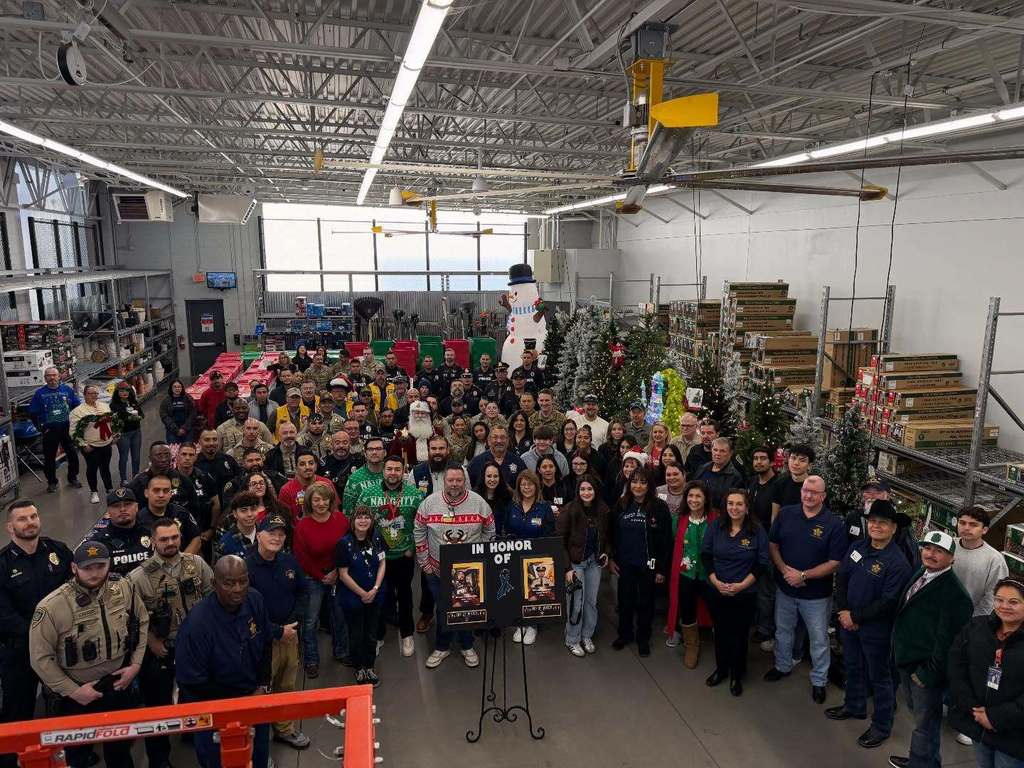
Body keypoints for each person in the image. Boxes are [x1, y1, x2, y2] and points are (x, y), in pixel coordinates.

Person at [29, 540, 148, 768]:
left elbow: (142, 620)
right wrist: (73, 691)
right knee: (78, 755)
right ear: (74, 568)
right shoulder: (52, 606)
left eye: (100, 566)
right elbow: (40, 658)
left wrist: (135, 665)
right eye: (87, 568)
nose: (94, 573)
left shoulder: (122, 588)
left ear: (109, 564)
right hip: (77, 694)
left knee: (121, 750)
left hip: (117, 685)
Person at [175, 555, 292, 768]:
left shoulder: (255, 600)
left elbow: (266, 641)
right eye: (229, 583)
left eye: (243, 581)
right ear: (214, 584)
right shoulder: (197, 625)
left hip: (255, 700)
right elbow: (191, 682)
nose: (238, 589)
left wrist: (263, 686)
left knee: (258, 759)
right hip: (215, 713)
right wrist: (237, 706)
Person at [827, 499, 913, 749]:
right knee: (853, 666)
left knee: (880, 677)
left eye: (882, 523)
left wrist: (855, 617)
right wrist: (843, 611)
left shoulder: (897, 562)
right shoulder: (858, 547)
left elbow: (888, 601)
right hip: (848, 620)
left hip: (876, 630)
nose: (876, 526)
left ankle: (881, 726)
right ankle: (854, 706)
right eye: (872, 521)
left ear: (894, 528)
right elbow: (841, 577)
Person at [129, 517, 214, 768]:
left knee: (197, 695)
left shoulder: (196, 564)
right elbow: (132, 620)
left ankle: (191, 734)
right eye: (164, 539)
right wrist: (152, 642)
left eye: (175, 537)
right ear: (153, 541)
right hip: (161, 649)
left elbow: (212, 596)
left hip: (197, 647)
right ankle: (159, 759)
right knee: (158, 707)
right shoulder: (139, 577)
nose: (170, 543)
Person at [889, 530, 974, 768]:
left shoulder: (956, 595)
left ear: (952, 558)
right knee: (920, 719)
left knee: (924, 724)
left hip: (925, 673)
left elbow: (950, 644)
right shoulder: (923, 572)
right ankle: (922, 760)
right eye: (927, 548)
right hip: (908, 662)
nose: (931, 554)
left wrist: (927, 674)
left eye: (939, 551)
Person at [764, 475, 846, 703]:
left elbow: (835, 562)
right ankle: (782, 666)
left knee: (819, 638)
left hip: (816, 596)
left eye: (814, 492)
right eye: (805, 491)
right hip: (785, 589)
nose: (809, 495)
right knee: (783, 630)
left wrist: (803, 575)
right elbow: (773, 545)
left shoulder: (833, 524)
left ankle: (819, 681)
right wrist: (785, 572)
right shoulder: (786, 514)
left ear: (823, 496)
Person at [0, 500, 73, 757]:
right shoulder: (2, 565)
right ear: (10, 527)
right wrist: (41, 635)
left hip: (63, 646)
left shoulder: (59, 551)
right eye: (22, 519)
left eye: (33, 516)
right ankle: (13, 759)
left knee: (68, 704)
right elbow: (3, 615)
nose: (30, 522)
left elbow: (75, 590)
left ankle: (74, 755)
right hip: (20, 652)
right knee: (17, 712)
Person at [414, 464, 495, 669]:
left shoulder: (479, 503)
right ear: (444, 481)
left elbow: (490, 530)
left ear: (464, 481)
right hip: (436, 569)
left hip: (468, 571)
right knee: (443, 609)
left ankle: (467, 645)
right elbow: (419, 531)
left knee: (466, 608)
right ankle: (443, 646)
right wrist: (424, 563)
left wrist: (481, 558)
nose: (455, 484)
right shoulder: (429, 503)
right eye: (451, 480)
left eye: (459, 480)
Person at [244, 515, 310, 750]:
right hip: (260, 642)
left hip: (289, 637)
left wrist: (294, 622)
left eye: (281, 533)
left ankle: (284, 729)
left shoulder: (289, 562)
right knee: (260, 691)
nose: (277, 537)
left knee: (286, 684)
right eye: (271, 532)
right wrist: (276, 631)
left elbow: (303, 591)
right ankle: (258, 745)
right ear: (258, 534)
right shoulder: (246, 567)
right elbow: (244, 610)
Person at [949, 577, 1024, 768]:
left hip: (1014, 737)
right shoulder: (976, 627)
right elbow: (957, 665)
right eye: (999, 599)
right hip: (977, 723)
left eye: (1013, 602)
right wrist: (972, 707)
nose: (1004, 606)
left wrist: (995, 717)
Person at [702, 489, 770, 696]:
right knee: (720, 632)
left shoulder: (757, 530)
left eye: (739, 504)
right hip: (717, 590)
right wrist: (715, 582)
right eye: (730, 503)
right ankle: (721, 669)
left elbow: (762, 563)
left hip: (744, 593)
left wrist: (741, 585)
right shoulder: (716, 526)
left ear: (747, 507)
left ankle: (736, 675)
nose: (734, 508)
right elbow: (706, 555)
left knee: (740, 635)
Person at [354, 455, 420, 657]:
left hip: (404, 554)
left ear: (404, 471)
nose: (393, 473)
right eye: (389, 469)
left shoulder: (415, 494)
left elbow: (421, 524)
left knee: (405, 594)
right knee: (380, 596)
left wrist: (413, 549)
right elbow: (358, 520)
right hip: (377, 557)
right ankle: (379, 635)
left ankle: (407, 633)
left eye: (397, 469)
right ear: (383, 470)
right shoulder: (368, 493)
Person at [608, 468, 672, 657]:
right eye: (634, 481)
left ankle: (643, 638)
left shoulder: (659, 506)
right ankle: (625, 634)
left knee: (646, 603)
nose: (638, 486)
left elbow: (666, 540)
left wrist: (661, 569)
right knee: (625, 600)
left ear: (649, 485)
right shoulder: (622, 504)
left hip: (649, 565)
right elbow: (611, 534)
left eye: (643, 482)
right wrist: (611, 558)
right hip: (626, 563)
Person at [294, 483, 350, 676]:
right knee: (310, 621)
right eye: (316, 499)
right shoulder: (303, 526)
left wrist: (336, 572)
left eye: (325, 499)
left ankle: (341, 651)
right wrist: (321, 576)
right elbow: (301, 557)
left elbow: (347, 547)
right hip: (312, 577)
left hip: (337, 574)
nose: (321, 503)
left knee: (339, 616)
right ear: (309, 502)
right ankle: (311, 660)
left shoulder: (341, 520)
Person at [666, 480, 716, 668]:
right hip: (685, 575)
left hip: (709, 575)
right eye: (690, 496)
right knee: (687, 610)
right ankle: (691, 645)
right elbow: (673, 546)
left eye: (698, 496)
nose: (694, 500)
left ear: (705, 499)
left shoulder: (715, 521)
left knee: (716, 608)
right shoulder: (678, 520)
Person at [335, 506, 388, 686]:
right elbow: (343, 574)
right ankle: (359, 667)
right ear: (352, 521)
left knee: (371, 633)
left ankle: (370, 666)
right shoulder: (344, 543)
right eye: (359, 517)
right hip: (352, 597)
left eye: (367, 517)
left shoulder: (377, 538)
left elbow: (382, 563)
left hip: (375, 595)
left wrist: (375, 589)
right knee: (356, 634)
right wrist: (363, 593)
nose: (363, 520)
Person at [558, 478, 609, 658]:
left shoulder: (603, 510)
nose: (586, 492)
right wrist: (567, 569)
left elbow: (608, 535)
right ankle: (572, 639)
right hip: (575, 564)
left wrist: (605, 552)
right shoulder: (569, 510)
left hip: (594, 563)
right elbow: (560, 541)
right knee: (575, 603)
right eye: (582, 489)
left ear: (595, 490)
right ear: (577, 491)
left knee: (591, 602)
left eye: (590, 489)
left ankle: (587, 635)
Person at [506, 469, 556, 642]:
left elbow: (550, 533)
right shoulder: (513, 505)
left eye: (530, 484)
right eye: (523, 484)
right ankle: (521, 623)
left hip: (537, 559)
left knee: (534, 592)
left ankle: (533, 625)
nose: (526, 487)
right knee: (518, 592)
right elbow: (506, 530)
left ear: (536, 486)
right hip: (514, 556)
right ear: (518, 487)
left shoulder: (544, 507)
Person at [748, 446, 781, 650]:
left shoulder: (777, 486)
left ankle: (766, 629)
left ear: (771, 462)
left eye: (763, 458)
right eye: (756, 458)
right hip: (751, 541)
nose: (759, 462)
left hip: (768, 544)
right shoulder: (752, 482)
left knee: (766, 590)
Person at [29, 366, 82, 493]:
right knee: (49, 458)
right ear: (45, 378)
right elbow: (32, 413)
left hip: (66, 428)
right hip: (50, 430)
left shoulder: (67, 390)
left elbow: (77, 407)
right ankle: (52, 482)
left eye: (54, 375)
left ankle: (73, 477)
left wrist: (76, 424)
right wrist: (40, 428)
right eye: (49, 375)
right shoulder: (39, 393)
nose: (52, 377)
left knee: (73, 454)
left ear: (59, 377)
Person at [69, 383, 117, 504]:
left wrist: (114, 435)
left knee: (105, 467)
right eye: (90, 393)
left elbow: (111, 423)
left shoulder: (105, 407)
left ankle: (109, 488)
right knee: (92, 468)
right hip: (91, 446)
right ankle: (94, 491)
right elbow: (73, 431)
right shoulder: (78, 412)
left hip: (106, 443)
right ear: (84, 395)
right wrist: (83, 445)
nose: (93, 395)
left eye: (95, 393)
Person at [91, 488, 152, 575]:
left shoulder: (152, 533)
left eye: (128, 504)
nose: (123, 509)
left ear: (136, 507)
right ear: (108, 512)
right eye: (116, 506)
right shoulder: (98, 543)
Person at [127, 441, 200, 513]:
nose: (164, 459)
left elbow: (194, 507)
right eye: (159, 456)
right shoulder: (138, 483)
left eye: (167, 455)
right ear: (150, 458)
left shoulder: (182, 480)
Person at [278, 449, 337, 521]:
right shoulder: (286, 490)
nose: (307, 467)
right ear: (296, 468)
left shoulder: (327, 484)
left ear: (316, 466)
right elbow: (285, 520)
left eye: (311, 463)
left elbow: (335, 512)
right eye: (302, 464)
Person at [694, 437, 746, 512]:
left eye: (722, 451)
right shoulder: (702, 469)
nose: (717, 454)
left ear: (730, 453)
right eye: (715, 450)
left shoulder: (735, 477)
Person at [467, 424, 527, 488]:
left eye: (502, 437)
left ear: (508, 441)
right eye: (495, 437)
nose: (499, 441)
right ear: (489, 441)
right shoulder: (475, 463)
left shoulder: (518, 462)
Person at [110, 381, 143, 483]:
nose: (124, 393)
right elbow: (120, 417)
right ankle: (123, 479)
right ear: (117, 392)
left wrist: (138, 417)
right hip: (123, 434)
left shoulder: (133, 402)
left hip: (136, 432)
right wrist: (131, 417)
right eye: (121, 391)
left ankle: (136, 476)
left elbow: (142, 414)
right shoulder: (114, 405)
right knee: (124, 457)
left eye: (127, 391)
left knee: (136, 456)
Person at [343, 436, 387, 514]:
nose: (374, 452)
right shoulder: (355, 479)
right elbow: (348, 512)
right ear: (365, 453)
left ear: (385, 452)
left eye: (378, 449)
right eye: (370, 449)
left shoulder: (392, 474)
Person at [771, 443, 815, 517]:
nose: (796, 463)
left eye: (802, 460)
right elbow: (775, 516)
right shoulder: (780, 484)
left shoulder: (816, 486)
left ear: (809, 466)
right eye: (793, 458)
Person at [215, 492, 262, 560]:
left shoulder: (265, 533)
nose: (249, 514)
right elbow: (220, 569)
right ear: (235, 514)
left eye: (253, 509)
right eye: (244, 510)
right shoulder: (225, 544)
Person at [475, 461, 513, 538]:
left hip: (500, 541)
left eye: (495, 476)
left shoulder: (507, 495)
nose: (492, 479)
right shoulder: (475, 497)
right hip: (481, 541)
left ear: (500, 477)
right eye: (489, 476)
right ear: (483, 477)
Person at [320, 430, 363, 497]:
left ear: (350, 444)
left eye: (345, 443)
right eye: (337, 443)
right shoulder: (324, 463)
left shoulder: (359, 461)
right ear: (332, 444)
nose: (341, 446)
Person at [159, 378, 195, 444]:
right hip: (172, 431)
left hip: (187, 430)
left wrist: (184, 428)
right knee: (173, 451)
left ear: (182, 388)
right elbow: (164, 416)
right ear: (171, 388)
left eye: (179, 387)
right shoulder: (166, 401)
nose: (177, 389)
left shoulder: (188, 399)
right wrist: (176, 429)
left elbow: (192, 414)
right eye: (174, 387)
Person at [656, 462, 688, 534]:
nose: (672, 477)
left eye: (675, 474)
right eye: (668, 475)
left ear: (684, 475)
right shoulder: (658, 491)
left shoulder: (691, 492)